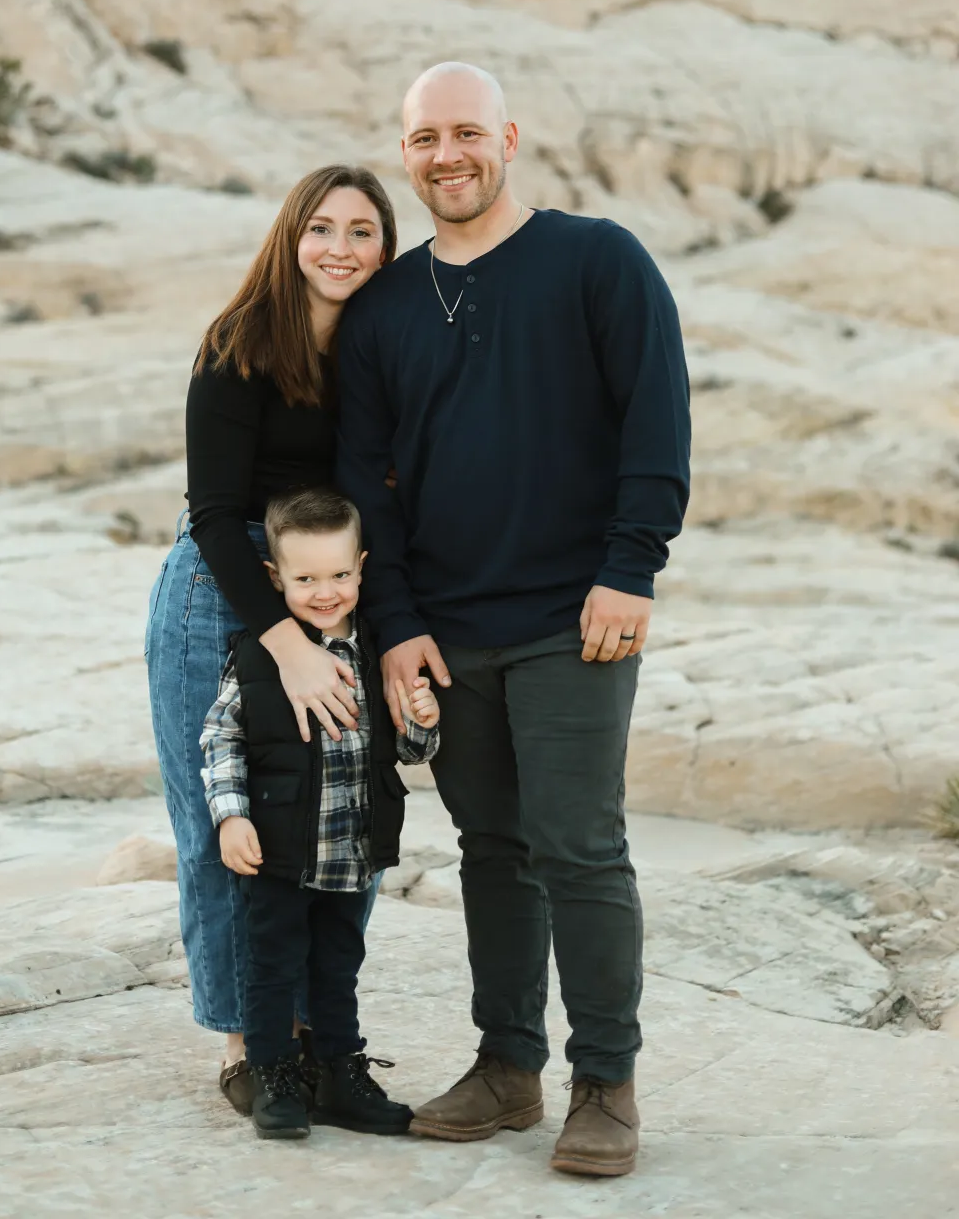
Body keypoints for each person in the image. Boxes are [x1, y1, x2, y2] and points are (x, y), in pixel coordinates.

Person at [335, 63, 691, 1179]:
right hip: (444, 627)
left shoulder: (597, 259)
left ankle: (606, 1084)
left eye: (468, 133)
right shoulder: (383, 305)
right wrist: (391, 625)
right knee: (489, 849)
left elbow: (656, 420)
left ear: (510, 139)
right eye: (426, 137)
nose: (448, 155)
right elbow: (362, 481)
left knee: (577, 845)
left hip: (573, 616)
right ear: (405, 153)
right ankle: (506, 1066)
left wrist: (630, 569)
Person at [144, 165, 397, 1113]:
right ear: (291, 237)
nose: (341, 248)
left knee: (339, 819)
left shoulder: (384, 353)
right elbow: (212, 513)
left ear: (385, 247)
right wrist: (288, 644)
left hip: (337, 591)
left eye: (363, 231)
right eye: (322, 228)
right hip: (224, 591)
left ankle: (318, 1037)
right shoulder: (238, 346)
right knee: (228, 828)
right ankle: (249, 1045)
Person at [200, 487, 440, 1140]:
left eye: (340, 574)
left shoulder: (378, 653)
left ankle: (339, 1072)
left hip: (352, 850)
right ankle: (276, 1076)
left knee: (338, 966)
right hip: (278, 848)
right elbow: (220, 741)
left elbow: (411, 752)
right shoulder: (258, 654)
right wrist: (231, 817)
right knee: (271, 965)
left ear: (362, 568)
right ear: (275, 578)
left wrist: (423, 721)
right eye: (306, 578)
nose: (325, 591)